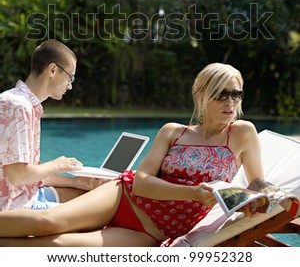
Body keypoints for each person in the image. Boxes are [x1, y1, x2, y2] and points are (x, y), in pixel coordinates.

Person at [0, 62, 264, 246]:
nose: (230, 102)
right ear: (202, 95)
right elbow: (141, 181)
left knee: (49, 247)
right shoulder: (174, 132)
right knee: (48, 223)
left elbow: (257, 184)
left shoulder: (242, 133)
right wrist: (192, 193)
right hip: (124, 196)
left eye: (236, 94)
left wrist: (266, 197)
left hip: (153, 232)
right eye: (222, 95)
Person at [0, 39, 101, 212]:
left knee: (91, 192)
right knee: (100, 206)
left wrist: (79, 182)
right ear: (52, 69)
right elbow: (18, 175)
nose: (70, 86)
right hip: (14, 208)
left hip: (28, 195)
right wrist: (57, 164)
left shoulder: (26, 105)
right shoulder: (17, 106)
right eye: (71, 77)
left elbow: (31, 174)